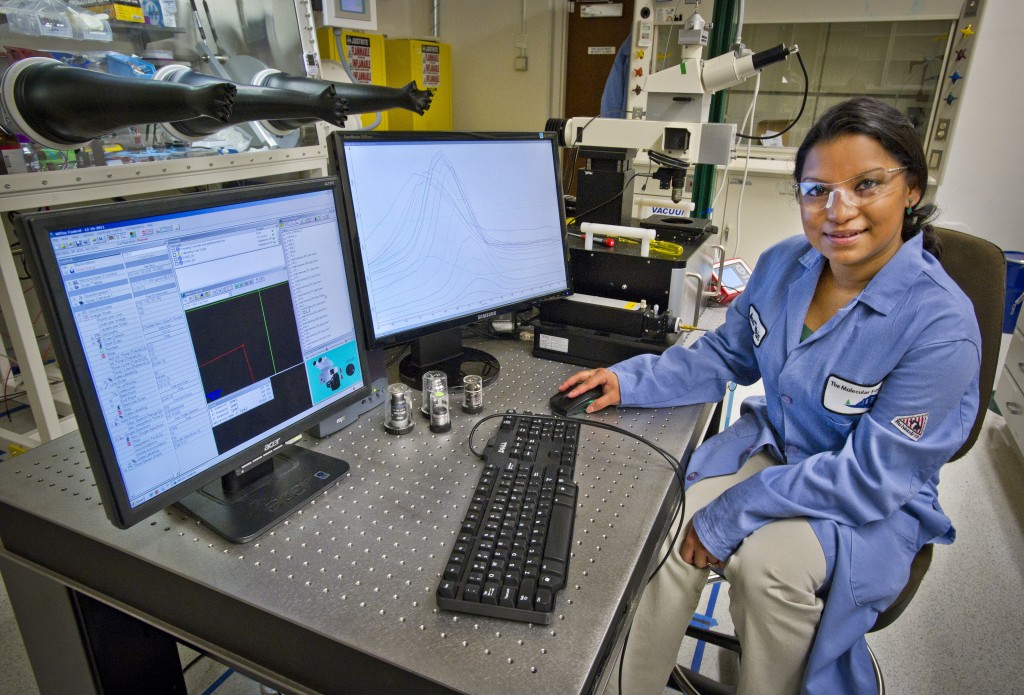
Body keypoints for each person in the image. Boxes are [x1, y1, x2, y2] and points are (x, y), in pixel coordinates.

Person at [558, 96, 981, 695]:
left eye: (866, 185)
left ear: (911, 189)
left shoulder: (941, 327)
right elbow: (725, 355)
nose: (839, 210)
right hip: (779, 449)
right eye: (816, 190)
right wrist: (630, 379)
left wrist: (734, 511)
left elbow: (873, 477)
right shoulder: (785, 265)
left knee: (766, 570)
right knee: (669, 527)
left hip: (870, 498)